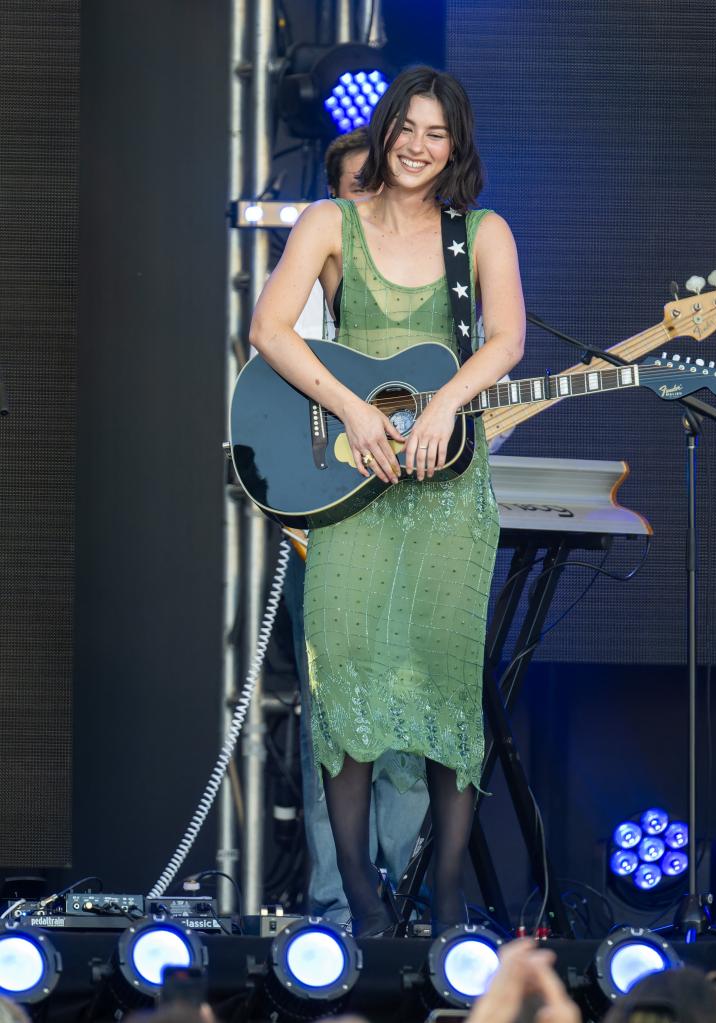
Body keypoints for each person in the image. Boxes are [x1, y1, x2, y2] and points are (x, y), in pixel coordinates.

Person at [249, 65, 525, 936]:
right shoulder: (330, 221)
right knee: (347, 685)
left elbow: (508, 336)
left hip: (447, 497)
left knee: (442, 685)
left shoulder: (479, 233)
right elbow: (268, 329)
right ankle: (362, 907)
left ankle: (441, 898)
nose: (416, 146)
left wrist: (445, 400)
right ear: (384, 130)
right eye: (405, 127)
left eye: (435, 133)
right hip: (350, 488)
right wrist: (351, 409)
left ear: (457, 145)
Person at [287, 125, 432, 924]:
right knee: (337, 728)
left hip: (417, 527)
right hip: (333, 528)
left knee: (408, 732)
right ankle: (335, 916)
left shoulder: (438, 271)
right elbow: (272, 397)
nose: (365, 200)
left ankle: (402, 918)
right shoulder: (310, 272)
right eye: (353, 185)